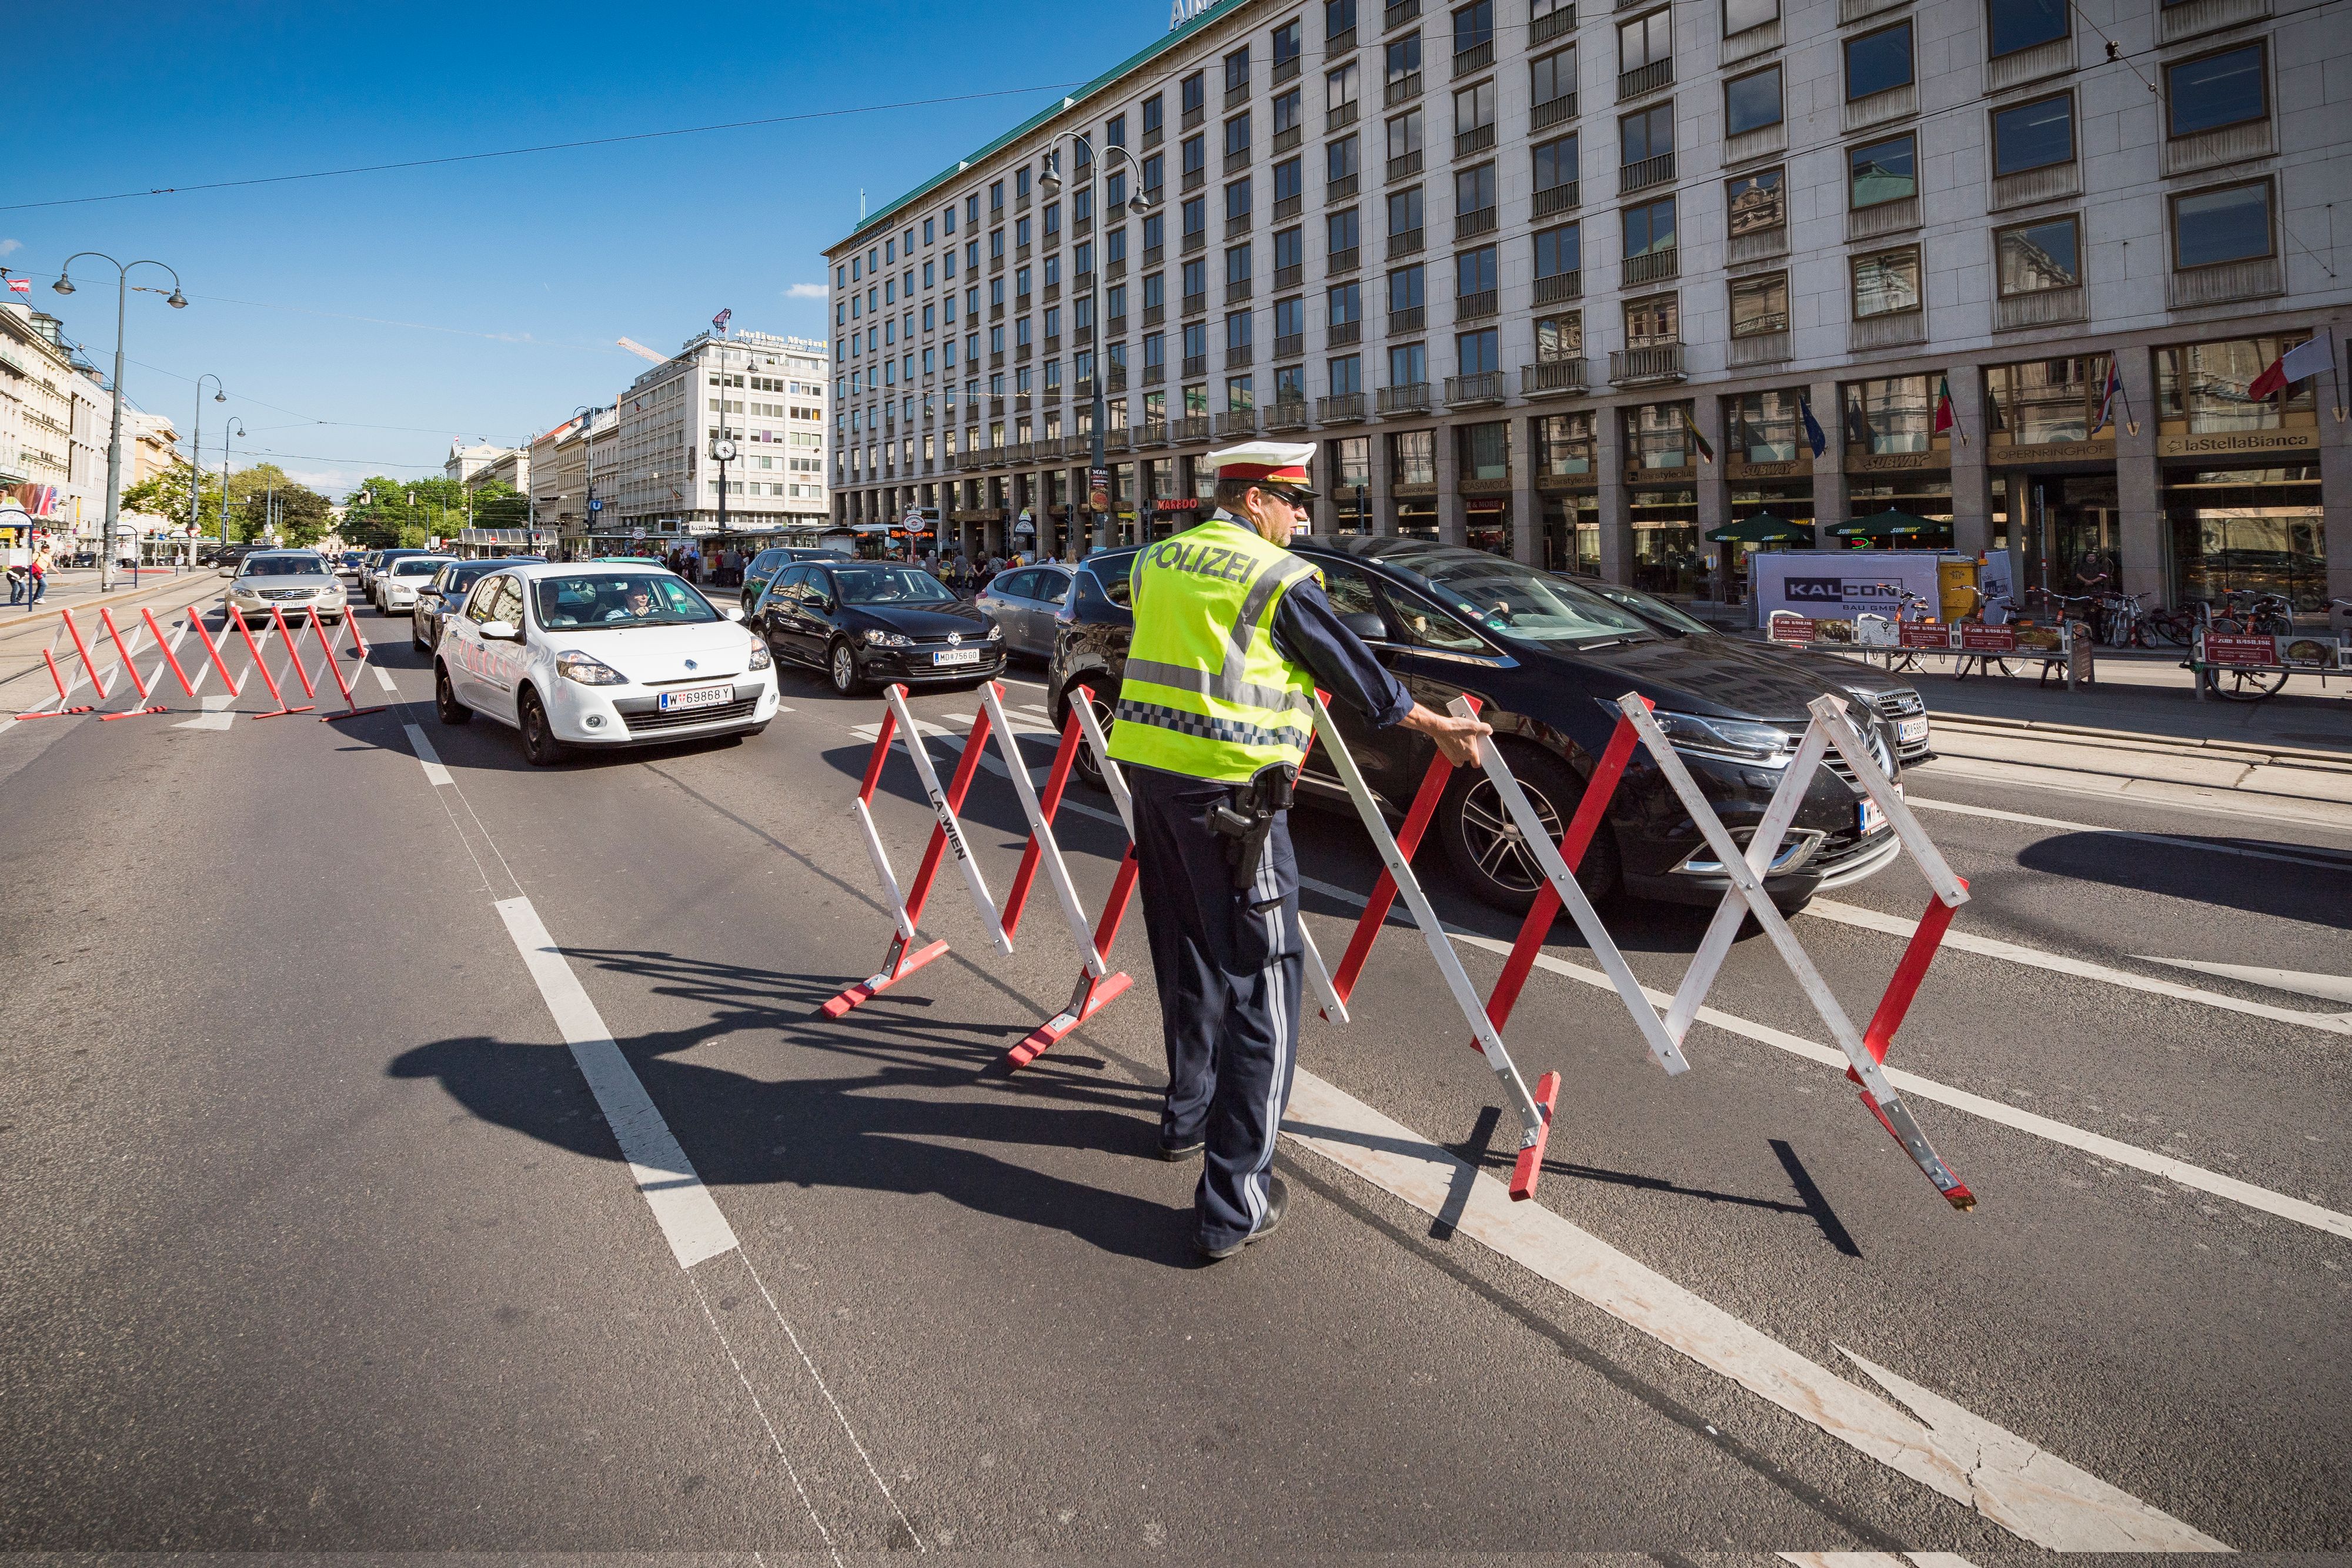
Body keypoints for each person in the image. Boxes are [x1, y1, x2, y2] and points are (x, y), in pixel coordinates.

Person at [1105, 442, 1489, 1261]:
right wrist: (1436, 724)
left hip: (1155, 783)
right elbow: (1360, 678)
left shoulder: (1155, 560)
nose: (1305, 517)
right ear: (1252, 503)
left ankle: (1185, 1119)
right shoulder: (1274, 578)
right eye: (1294, 502)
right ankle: (1233, 1203)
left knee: (1188, 957)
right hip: (1232, 799)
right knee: (1264, 986)